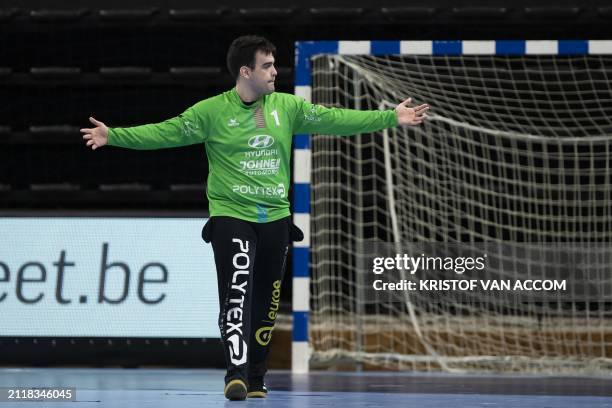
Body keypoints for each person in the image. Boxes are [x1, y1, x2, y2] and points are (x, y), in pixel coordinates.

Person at [81, 35, 429, 401]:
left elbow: (335, 118)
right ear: (245, 72)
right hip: (231, 215)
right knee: (236, 295)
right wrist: (114, 136)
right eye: (267, 65)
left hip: (275, 217)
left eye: (274, 64)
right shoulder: (211, 112)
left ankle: (258, 377)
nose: (275, 71)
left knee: (267, 302)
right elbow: (165, 132)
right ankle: (236, 373)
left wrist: (390, 117)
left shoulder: (288, 107)